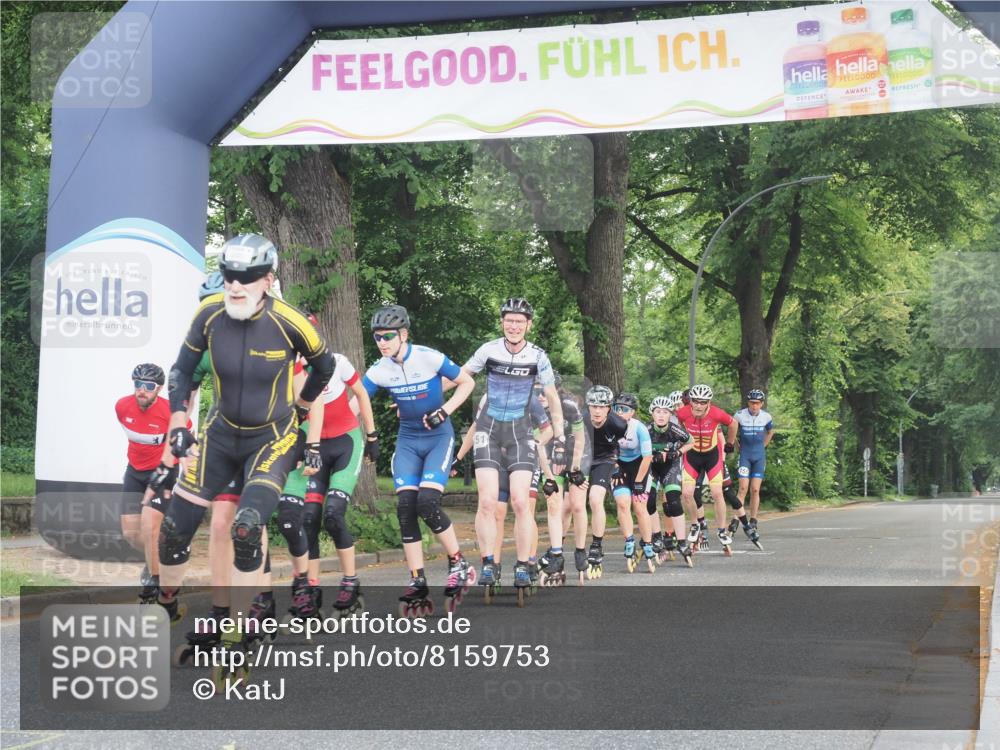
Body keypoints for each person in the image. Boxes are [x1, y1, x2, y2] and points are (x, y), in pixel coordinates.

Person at [160, 233, 334, 672]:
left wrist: (303, 408)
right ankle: (198, 611)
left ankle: (239, 628)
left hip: (271, 440)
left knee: (244, 527)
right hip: (220, 438)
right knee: (178, 531)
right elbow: (181, 371)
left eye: (247, 278)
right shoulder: (209, 313)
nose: (235, 286)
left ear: (268, 279)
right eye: (229, 277)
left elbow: (325, 367)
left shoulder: (291, 322)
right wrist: (180, 424)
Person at [361, 304, 477, 615]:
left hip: (438, 438)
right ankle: (417, 580)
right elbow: (355, 401)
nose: (382, 343)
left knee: (427, 502)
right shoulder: (380, 368)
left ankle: (459, 563)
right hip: (408, 439)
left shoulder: (428, 356)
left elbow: (467, 382)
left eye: (387, 337)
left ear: (403, 334)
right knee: (405, 508)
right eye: (377, 338)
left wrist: (445, 411)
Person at [462, 298, 565, 602]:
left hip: (520, 434)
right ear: (502, 322)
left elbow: (551, 397)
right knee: (488, 502)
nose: (514, 325)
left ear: (528, 325)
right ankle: (489, 563)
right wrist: (429, 398)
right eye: (509, 320)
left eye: (520, 321)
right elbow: (460, 375)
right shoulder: (488, 350)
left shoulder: (538, 356)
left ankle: (522, 564)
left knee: (521, 502)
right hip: (489, 431)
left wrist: (558, 433)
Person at [114, 363, 183, 600]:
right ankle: (161, 554)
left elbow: (181, 440)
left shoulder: (169, 411)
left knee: (150, 527)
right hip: (134, 471)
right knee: (130, 533)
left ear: (159, 388)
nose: (142, 390)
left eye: (148, 386)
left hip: (162, 473)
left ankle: (154, 585)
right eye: (138, 385)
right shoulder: (122, 406)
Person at [674, 384, 738, 555]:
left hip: (712, 457)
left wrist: (730, 443)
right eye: (695, 401)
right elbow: (677, 425)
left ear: (709, 402)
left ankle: (722, 530)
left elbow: (733, 424)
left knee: (717, 492)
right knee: (687, 493)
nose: (698, 406)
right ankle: (695, 524)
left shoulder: (717, 413)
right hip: (692, 456)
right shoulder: (683, 412)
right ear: (690, 401)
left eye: (703, 402)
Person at [576, 385, 628, 581]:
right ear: (588, 407)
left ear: (609, 408)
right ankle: (556, 550)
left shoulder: (619, 424)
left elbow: (618, 446)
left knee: (595, 499)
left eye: (602, 406)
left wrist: (617, 465)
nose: (597, 411)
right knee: (569, 504)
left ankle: (596, 545)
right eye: (593, 406)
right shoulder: (579, 419)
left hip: (605, 459)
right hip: (582, 459)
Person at [647, 391, 695, 566]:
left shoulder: (675, 430)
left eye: (665, 412)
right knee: (649, 501)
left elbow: (691, 442)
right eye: (658, 411)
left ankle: (681, 542)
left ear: (670, 414)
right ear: (652, 413)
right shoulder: (646, 430)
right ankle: (657, 537)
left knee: (673, 502)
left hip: (671, 466)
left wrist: (677, 452)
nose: (661, 415)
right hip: (652, 466)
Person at [611, 393, 655, 573]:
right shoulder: (609, 426)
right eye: (616, 408)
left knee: (639, 506)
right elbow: (605, 452)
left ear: (633, 413)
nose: (620, 412)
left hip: (640, 466)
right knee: (622, 503)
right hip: (618, 465)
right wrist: (614, 468)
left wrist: (638, 482)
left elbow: (648, 457)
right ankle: (629, 541)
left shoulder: (640, 429)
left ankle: (648, 544)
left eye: (625, 409)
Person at [732, 389, 774, 536]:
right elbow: (732, 431)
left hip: (759, 457)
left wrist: (763, 446)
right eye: (751, 403)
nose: (754, 406)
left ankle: (754, 519)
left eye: (757, 403)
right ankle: (735, 518)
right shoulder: (739, 415)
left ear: (761, 404)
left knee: (755, 489)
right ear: (748, 402)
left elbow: (770, 432)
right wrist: (737, 446)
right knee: (743, 488)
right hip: (745, 456)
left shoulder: (766, 417)